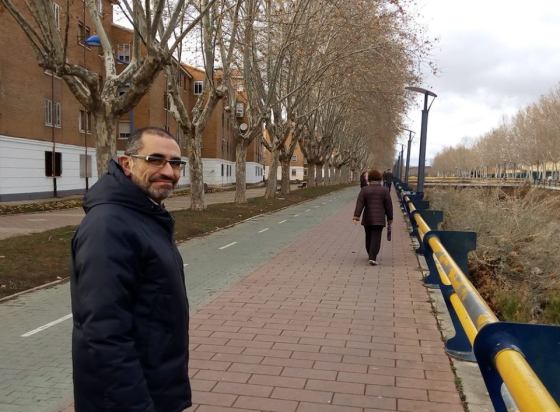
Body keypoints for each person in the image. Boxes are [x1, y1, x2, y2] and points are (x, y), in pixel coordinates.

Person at [70, 127, 191, 412]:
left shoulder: (144, 215)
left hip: (153, 385)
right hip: (127, 399)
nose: (168, 172)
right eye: (155, 160)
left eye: (175, 163)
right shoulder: (109, 226)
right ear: (127, 163)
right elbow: (104, 332)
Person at [352, 169, 393, 266]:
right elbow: (389, 206)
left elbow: (360, 204)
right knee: (376, 237)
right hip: (379, 219)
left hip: (368, 218)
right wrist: (390, 218)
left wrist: (356, 216)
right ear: (380, 179)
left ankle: (370, 254)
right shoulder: (385, 190)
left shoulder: (364, 190)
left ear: (369, 179)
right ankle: (372, 257)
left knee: (368, 236)